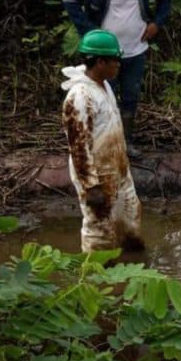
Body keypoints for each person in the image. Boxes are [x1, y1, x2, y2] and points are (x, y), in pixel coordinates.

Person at [63, 0, 172, 160]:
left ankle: (126, 141)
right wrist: (89, 31)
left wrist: (156, 24)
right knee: (103, 98)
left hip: (135, 50)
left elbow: (165, 0)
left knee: (130, 96)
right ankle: (102, 143)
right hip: (105, 56)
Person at [61, 30, 144, 254]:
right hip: (97, 175)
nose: (119, 64)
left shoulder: (103, 85)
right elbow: (78, 146)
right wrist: (90, 186)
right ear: (99, 62)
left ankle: (135, 267)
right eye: (115, 60)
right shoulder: (80, 96)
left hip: (118, 168)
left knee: (130, 215)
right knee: (99, 228)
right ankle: (97, 279)